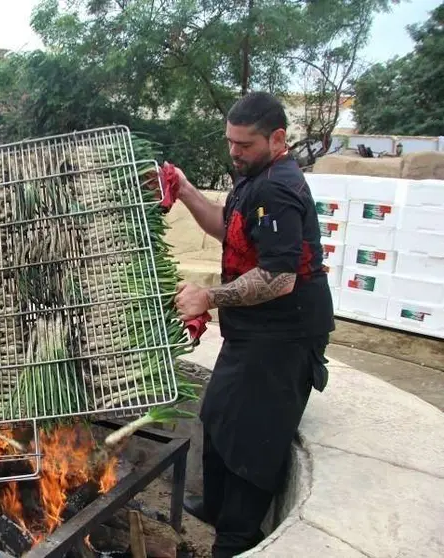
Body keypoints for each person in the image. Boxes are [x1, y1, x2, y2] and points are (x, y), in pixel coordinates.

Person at [170, 92, 334, 558]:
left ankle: (237, 538)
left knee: (252, 436)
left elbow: (280, 279)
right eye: (229, 142)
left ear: (277, 139)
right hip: (251, 332)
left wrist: (210, 296)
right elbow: (229, 228)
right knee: (217, 414)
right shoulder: (252, 177)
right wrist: (183, 190)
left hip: (285, 335)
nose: (234, 152)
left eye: (244, 144)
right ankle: (217, 507)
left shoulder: (279, 187)